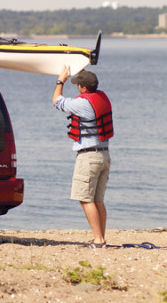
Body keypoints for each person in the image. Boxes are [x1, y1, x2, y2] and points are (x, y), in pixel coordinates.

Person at [52, 67, 113, 248]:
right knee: (98, 200)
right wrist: (82, 70)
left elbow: (56, 101)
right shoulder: (102, 98)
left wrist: (60, 81)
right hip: (104, 155)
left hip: (89, 157)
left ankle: (98, 240)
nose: (77, 88)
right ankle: (101, 238)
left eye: (78, 85)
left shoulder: (82, 104)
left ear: (84, 88)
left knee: (85, 199)